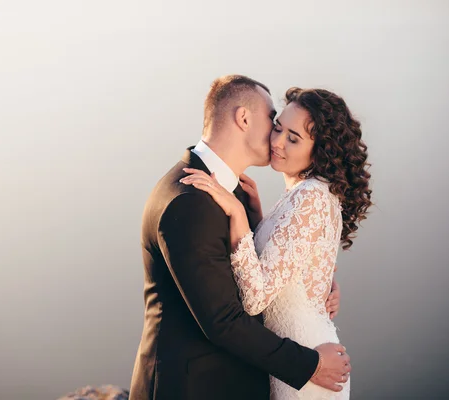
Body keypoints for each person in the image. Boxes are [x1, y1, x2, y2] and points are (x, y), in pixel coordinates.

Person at [130, 76, 351, 400]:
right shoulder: (189, 199)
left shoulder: (232, 193)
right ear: (244, 119)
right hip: (192, 388)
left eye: (288, 133)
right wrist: (311, 365)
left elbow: (258, 266)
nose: (276, 134)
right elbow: (223, 320)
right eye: (273, 121)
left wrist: (312, 282)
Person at [181, 86, 372, 399]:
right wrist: (258, 217)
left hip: (311, 366)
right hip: (296, 358)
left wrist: (237, 214)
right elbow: (293, 262)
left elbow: (256, 298)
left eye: (293, 139)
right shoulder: (303, 192)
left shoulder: (309, 198)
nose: (277, 142)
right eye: (278, 128)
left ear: (320, 151)